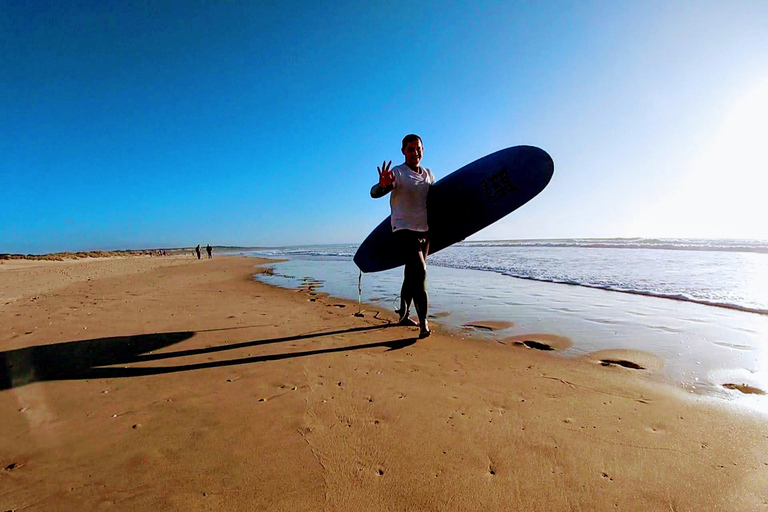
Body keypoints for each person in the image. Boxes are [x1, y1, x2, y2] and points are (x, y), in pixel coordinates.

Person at [370, 134, 434, 339]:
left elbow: (437, 203)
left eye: (418, 148)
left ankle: (404, 315)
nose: (415, 152)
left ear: (423, 150)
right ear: (403, 151)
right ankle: (423, 322)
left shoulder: (429, 174)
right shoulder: (398, 173)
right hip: (402, 230)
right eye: (410, 149)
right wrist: (381, 185)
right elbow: (375, 192)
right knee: (421, 271)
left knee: (411, 274)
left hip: (423, 230)